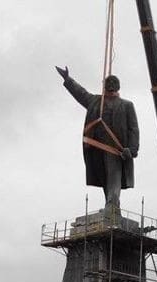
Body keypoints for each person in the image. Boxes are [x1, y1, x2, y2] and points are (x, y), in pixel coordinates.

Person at [56, 66, 139, 212]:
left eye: (114, 84)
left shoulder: (127, 105)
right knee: (105, 178)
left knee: (114, 177)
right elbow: (81, 93)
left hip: (116, 150)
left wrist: (132, 149)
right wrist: (68, 80)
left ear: (117, 87)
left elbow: (134, 129)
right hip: (97, 147)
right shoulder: (95, 101)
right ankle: (112, 205)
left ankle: (112, 205)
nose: (111, 86)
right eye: (109, 83)